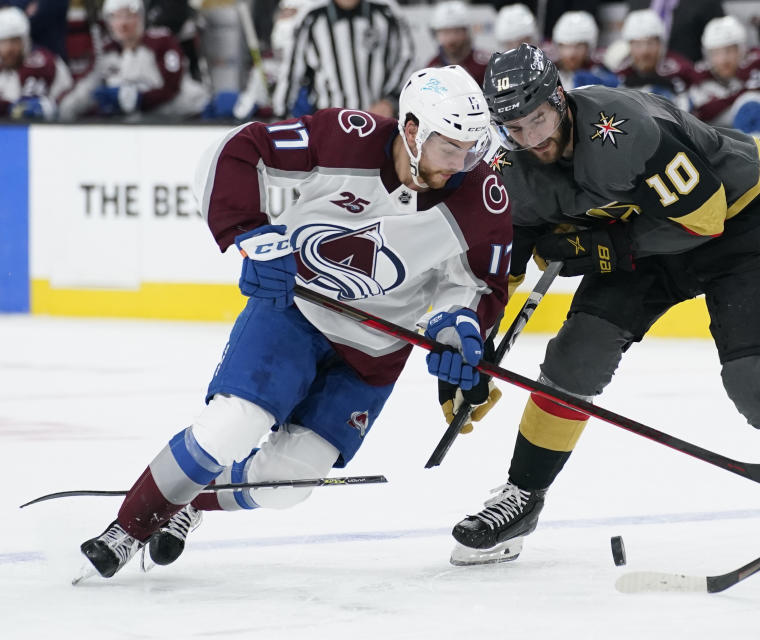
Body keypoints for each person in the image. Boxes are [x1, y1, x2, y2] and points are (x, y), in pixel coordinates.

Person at [449, 43, 760, 574]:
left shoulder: (625, 128)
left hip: (736, 225)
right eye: (514, 128)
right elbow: (501, 270)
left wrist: (604, 249)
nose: (532, 139)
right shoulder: (510, 167)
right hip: (644, 238)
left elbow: (703, 218)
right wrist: (468, 345)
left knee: (757, 381)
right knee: (574, 359)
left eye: (538, 119)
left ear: (560, 98)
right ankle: (520, 498)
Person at [77, 64, 512, 580]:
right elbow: (238, 151)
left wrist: (456, 328)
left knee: (292, 481)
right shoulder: (346, 138)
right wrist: (252, 236)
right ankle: (127, 529)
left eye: (472, 148)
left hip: (372, 352)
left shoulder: (482, 196)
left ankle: (190, 503)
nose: (462, 163)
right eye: (450, 147)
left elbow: (477, 285)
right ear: (412, 129)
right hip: (295, 310)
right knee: (235, 423)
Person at [57, 0, 208, 119]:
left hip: (183, 119)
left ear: (140, 17)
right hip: (134, 129)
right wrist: (61, 108)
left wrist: (139, 99)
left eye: (129, 16)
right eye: (116, 17)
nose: (123, 24)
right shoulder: (107, 52)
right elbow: (87, 90)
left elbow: (172, 88)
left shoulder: (161, 41)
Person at [272, 0, 414, 119]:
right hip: (330, 125)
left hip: (380, 123)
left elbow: (407, 59)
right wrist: (280, 116)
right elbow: (291, 72)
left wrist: (390, 101)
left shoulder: (386, 11)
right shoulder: (311, 17)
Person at [687, 15, 760, 128]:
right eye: (716, 53)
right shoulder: (700, 75)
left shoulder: (759, 62)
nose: (723, 60)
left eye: (729, 51)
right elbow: (701, 112)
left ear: (742, 49)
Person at [0, 5, 72, 120]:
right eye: (3, 42)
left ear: (25, 40)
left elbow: (23, 111)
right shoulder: (4, 67)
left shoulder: (42, 63)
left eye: (14, 41)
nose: (8, 49)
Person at [617, 9, 696, 101]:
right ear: (629, 46)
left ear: (660, 44)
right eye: (638, 44)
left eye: (650, 43)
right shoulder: (620, 70)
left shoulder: (681, 69)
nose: (645, 51)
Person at [425, 1, 488, 87]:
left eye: (456, 31)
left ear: (467, 33)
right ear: (436, 35)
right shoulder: (432, 67)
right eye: (445, 32)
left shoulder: (484, 65)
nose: (451, 38)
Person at [550, 10, 618, 89]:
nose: (571, 54)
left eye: (579, 46)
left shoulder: (601, 77)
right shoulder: (547, 74)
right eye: (565, 46)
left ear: (589, 47)